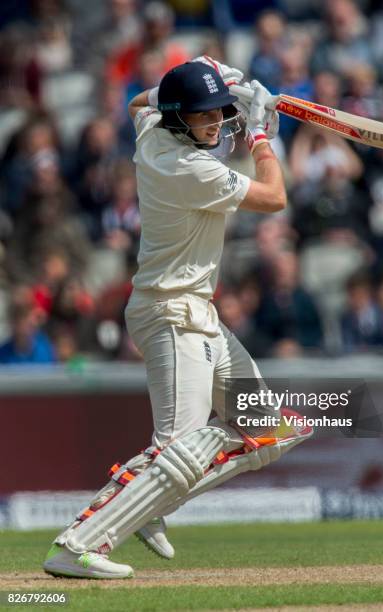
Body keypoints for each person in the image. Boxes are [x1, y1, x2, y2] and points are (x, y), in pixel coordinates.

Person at [43, 58, 312, 579]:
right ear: (178, 117)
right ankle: (75, 546)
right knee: (178, 448)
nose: (215, 123)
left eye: (220, 112)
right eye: (204, 115)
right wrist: (259, 136)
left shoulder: (152, 129)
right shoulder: (189, 167)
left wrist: (219, 79)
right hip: (171, 314)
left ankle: (155, 502)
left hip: (196, 312)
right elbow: (275, 197)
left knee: (270, 430)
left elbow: (137, 102)